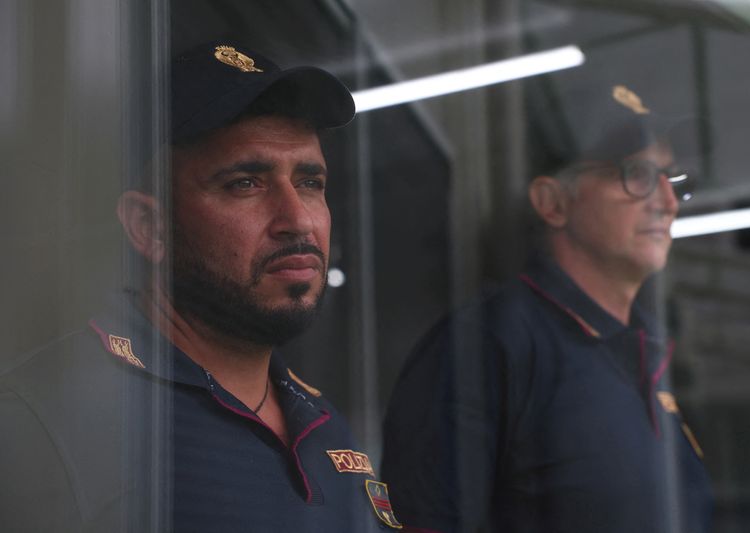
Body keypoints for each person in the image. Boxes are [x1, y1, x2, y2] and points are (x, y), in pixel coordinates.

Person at [0, 42, 401, 532]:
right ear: (150, 226)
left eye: (310, 182)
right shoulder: (46, 418)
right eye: (245, 183)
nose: (297, 219)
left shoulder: (327, 427)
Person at [381, 84, 712, 532]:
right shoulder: (486, 346)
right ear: (552, 202)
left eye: (672, 180)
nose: (668, 203)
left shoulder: (646, 353)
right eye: (637, 174)